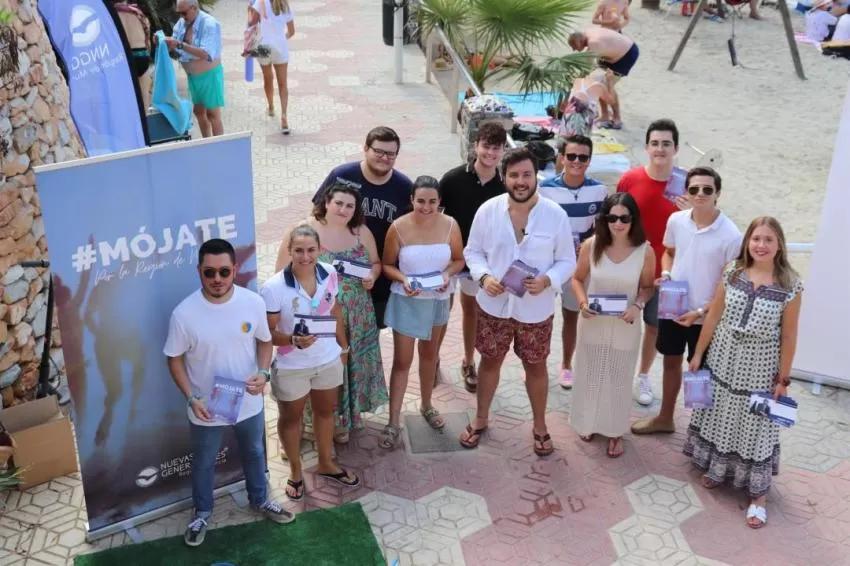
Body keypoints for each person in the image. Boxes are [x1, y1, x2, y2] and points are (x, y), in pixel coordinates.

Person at [164, 239, 293, 548]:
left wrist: (263, 373)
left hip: (248, 400)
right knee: (204, 462)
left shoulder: (253, 302)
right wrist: (191, 397)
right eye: (209, 272)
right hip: (207, 405)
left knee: (255, 453)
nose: (217, 279)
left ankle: (260, 500)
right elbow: (174, 359)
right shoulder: (184, 314)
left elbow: (265, 341)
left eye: (224, 271)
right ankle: (202, 513)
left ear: (235, 269)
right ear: (199, 271)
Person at [683, 217, 803, 529]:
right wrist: (699, 353)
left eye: (768, 239)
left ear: (779, 245)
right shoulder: (732, 272)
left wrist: (783, 379)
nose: (761, 245)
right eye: (756, 238)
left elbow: (789, 335)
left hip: (760, 367)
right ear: (747, 241)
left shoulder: (790, 285)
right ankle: (718, 469)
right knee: (719, 413)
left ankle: (758, 496)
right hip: (722, 359)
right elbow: (714, 316)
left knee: (757, 426)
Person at [460, 148, 576, 456]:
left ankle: (540, 426)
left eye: (526, 174)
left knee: (536, 366)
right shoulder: (488, 210)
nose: (520, 181)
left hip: (535, 310)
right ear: (504, 177)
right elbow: (473, 252)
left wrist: (547, 280)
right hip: (494, 306)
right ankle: (481, 418)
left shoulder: (555, 215)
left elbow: (567, 260)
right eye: (514, 175)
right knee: (489, 362)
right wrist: (484, 277)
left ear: (537, 176)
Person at [632, 167, 742, 435]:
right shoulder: (677, 220)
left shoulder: (731, 235)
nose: (700, 194)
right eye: (694, 189)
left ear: (718, 193)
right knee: (670, 361)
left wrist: (701, 311)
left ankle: (701, 430)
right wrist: (666, 274)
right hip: (674, 305)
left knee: (699, 371)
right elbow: (669, 253)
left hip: (707, 316)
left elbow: (729, 284)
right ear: (687, 192)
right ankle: (665, 417)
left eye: (707, 189)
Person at [275, 183, 386, 444]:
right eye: (339, 203)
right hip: (318, 318)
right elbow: (281, 271)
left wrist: (372, 275)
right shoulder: (303, 230)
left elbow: (375, 262)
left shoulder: (361, 232)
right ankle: (303, 424)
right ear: (326, 202)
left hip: (357, 318)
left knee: (344, 369)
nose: (343, 210)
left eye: (350, 206)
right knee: (311, 367)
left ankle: (340, 421)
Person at [261, 225, 360, 502]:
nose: (305, 257)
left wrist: (343, 346)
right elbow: (267, 333)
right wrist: (293, 340)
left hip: (327, 360)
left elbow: (335, 309)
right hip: (292, 366)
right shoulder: (273, 288)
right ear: (290, 251)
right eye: (299, 251)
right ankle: (295, 471)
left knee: (325, 412)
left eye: (311, 250)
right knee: (290, 418)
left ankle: (326, 463)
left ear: (319, 250)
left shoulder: (328, 273)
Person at [379, 176, 465, 449]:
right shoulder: (398, 227)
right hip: (407, 301)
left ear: (439, 201)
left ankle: (427, 405)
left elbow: (459, 259)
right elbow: (387, 265)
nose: (426, 207)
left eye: (432, 201)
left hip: (437, 299)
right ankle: (393, 421)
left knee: (430, 356)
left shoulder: (450, 224)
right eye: (420, 201)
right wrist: (404, 279)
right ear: (412, 200)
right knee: (402, 361)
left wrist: (446, 275)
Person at [570, 193, 655, 458]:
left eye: (624, 218)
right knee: (590, 373)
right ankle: (588, 422)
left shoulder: (645, 251)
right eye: (612, 218)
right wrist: (582, 303)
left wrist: (637, 306)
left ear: (633, 220)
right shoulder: (591, 245)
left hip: (625, 324)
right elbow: (577, 279)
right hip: (593, 323)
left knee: (619, 378)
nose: (618, 224)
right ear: (604, 219)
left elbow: (647, 287)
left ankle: (615, 430)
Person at [617, 119, 688, 406]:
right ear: (646, 147)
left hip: (667, 273)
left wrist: (693, 210)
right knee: (622, 323)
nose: (660, 149)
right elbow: (614, 221)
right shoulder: (630, 180)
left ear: (676, 149)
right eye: (655, 143)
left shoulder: (689, 187)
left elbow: (703, 226)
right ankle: (618, 373)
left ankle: (643, 375)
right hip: (629, 269)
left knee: (654, 327)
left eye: (666, 144)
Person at [312, 126, 413, 328]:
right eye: (379, 151)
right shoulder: (342, 175)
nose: (384, 158)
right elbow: (316, 214)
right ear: (365, 148)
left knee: (370, 329)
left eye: (391, 154)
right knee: (331, 329)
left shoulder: (403, 187)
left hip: (378, 275)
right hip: (334, 272)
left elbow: (409, 230)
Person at [438, 122, 507, 392]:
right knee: (441, 311)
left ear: (503, 150)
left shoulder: (504, 186)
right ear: (476, 145)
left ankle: (468, 361)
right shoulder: (452, 179)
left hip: (479, 263)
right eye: (486, 146)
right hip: (449, 259)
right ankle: (432, 359)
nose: (490, 153)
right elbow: (434, 216)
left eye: (496, 148)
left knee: (472, 311)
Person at [540, 134, 608, 390]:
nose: (577, 161)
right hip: (550, 264)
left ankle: (566, 365)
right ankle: (536, 364)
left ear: (589, 160)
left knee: (571, 316)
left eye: (583, 157)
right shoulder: (545, 189)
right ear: (562, 158)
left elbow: (602, 228)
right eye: (571, 156)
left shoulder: (599, 190)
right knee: (541, 317)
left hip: (579, 266)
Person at [164, 0, 224, 137]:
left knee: (213, 114)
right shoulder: (182, 23)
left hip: (209, 75)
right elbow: (174, 45)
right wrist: (164, 42)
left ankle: (220, 146)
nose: (181, 16)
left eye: (184, 13)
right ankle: (207, 142)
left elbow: (206, 53)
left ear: (195, 7)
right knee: (199, 112)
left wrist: (180, 45)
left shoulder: (209, 23)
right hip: (193, 77)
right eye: (179, 13)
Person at [568, 27, 639, 130]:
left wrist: (576, 82)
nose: (573, 49)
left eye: (573, 46)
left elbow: (587, 69)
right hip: (611, 52)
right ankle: (604, 116)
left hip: (626, 54)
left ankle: (617, 118)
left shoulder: (593, 43)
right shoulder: (587, 33)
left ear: (579, 41)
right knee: (599, 83)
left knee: (606, 85)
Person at [247, 0, 295, 134]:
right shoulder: (284, 5)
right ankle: (284, 116)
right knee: (283, 84)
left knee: (268, 79)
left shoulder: (260, 2)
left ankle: (271, 107)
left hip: (263, 46)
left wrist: (249, 10)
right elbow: (292, 31)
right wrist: (281, 39)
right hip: (280, 46)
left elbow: (252, 23)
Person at [558, 68, 614, 138]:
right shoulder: (600, 86)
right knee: (579, 140)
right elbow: (611, 101)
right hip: (582, 122)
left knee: (565, 138)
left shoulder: (578, 80)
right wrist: (610, 82)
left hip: (568, 118)